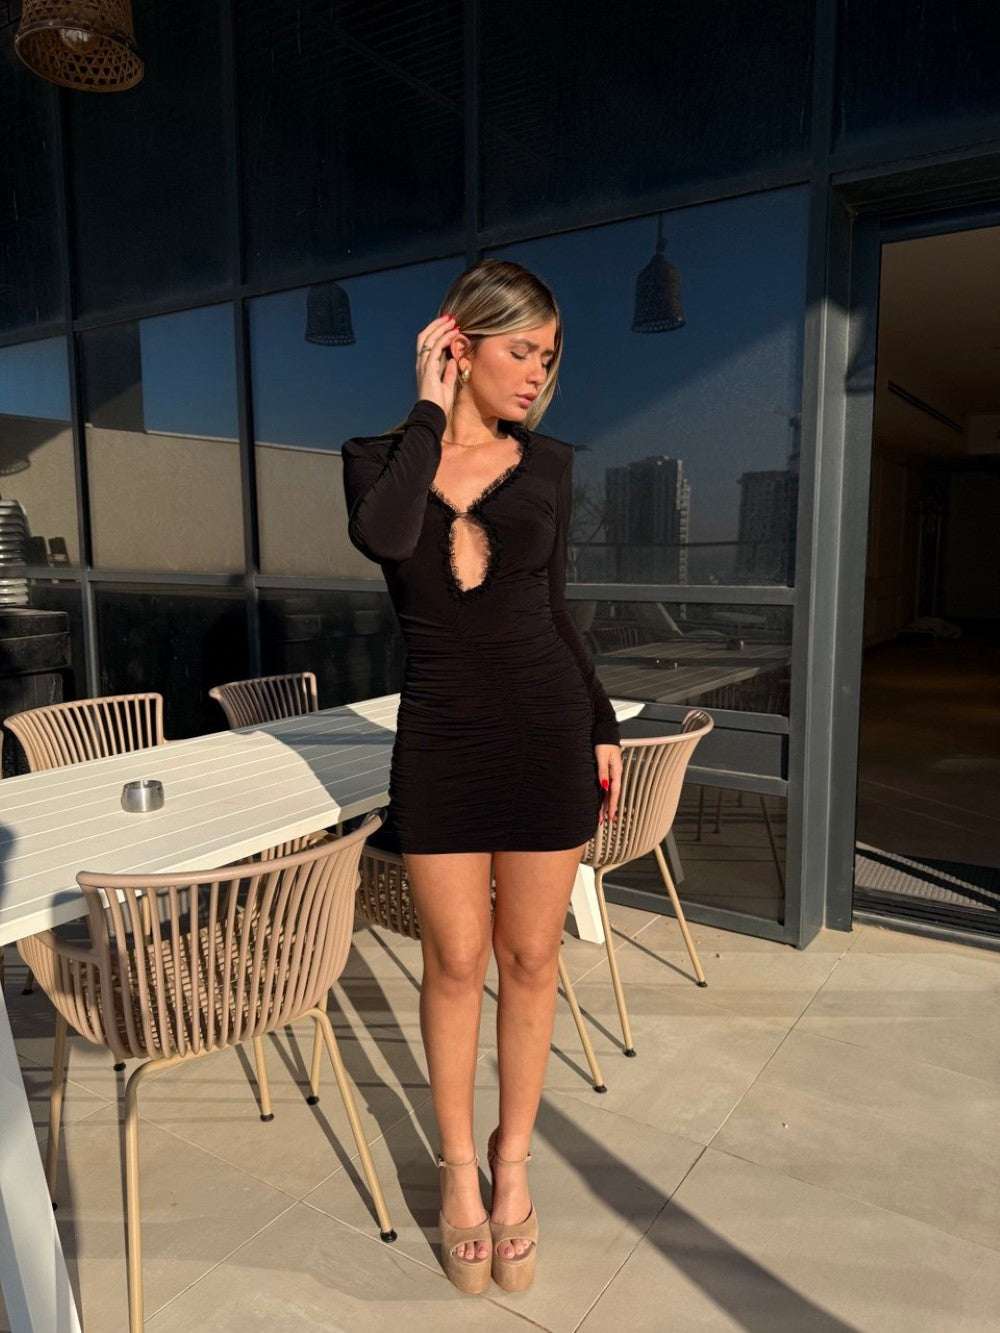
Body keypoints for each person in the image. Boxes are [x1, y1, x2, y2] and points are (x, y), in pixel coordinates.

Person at [341, 259, 622, 1294]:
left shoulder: (550, 465)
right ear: (458, 344)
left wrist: (599, 719)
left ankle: (513, 1166)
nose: (539, 373)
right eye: (521, 350)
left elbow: (554, 609)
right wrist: (429, 406)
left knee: (532, 958)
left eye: (550, 356)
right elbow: (387, 537)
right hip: (442, 740)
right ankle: (458, 1169)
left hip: (547, 732)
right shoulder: (375, 460)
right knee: (455, 961)